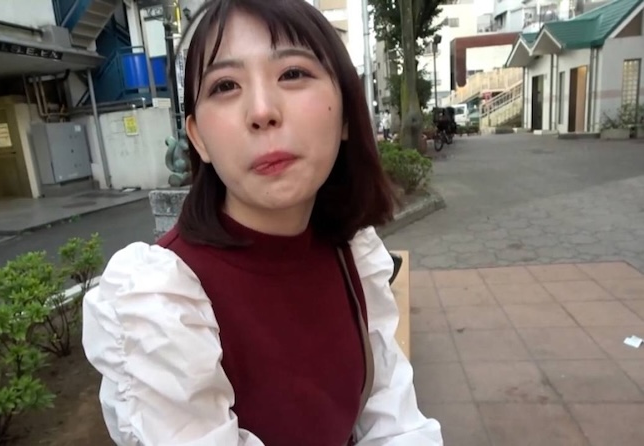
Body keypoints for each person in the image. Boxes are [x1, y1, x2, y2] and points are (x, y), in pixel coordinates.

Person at [82, 0, 443, 445]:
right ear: (199, 139)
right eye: (225, 85)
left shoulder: (352, 258)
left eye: (292, 73)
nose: (261, 110)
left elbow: (394, 422)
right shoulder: (162, 306)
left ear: (347, 113)